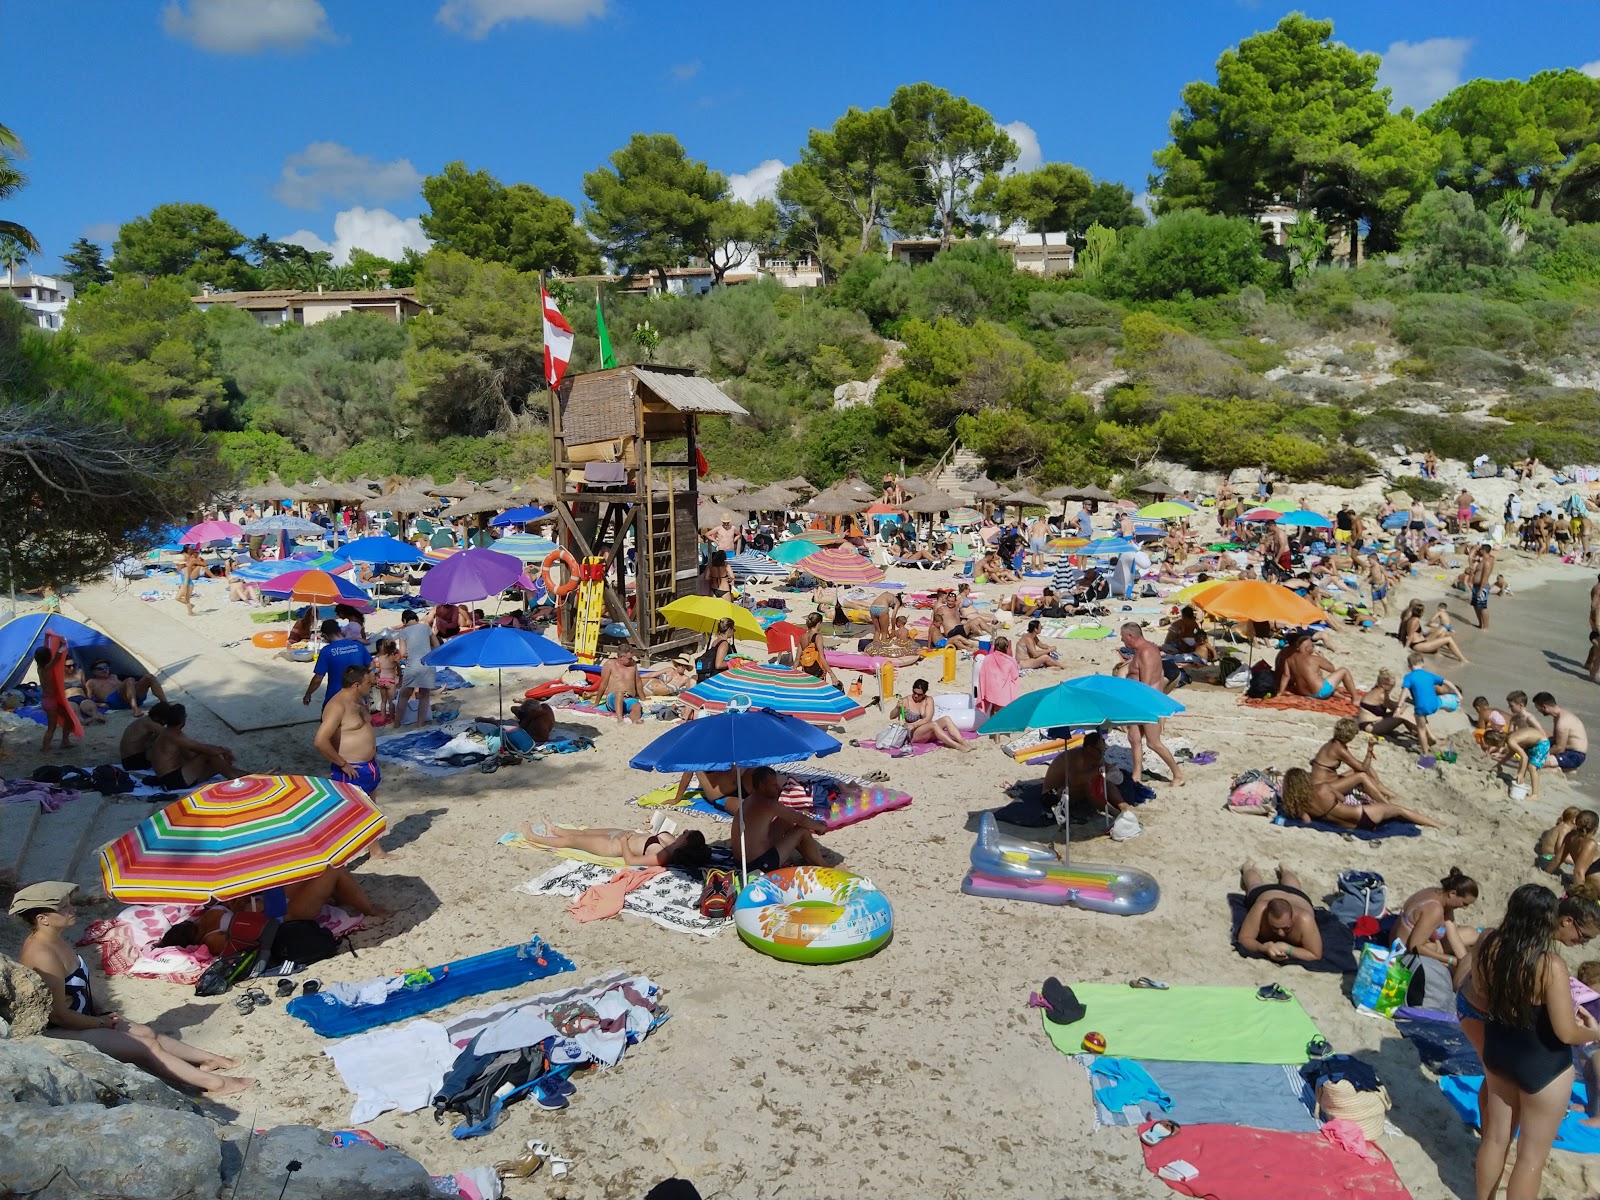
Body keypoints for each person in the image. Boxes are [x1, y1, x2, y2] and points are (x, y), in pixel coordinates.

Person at [12, 881, 253, 1097]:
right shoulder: (42, 955)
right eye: (63, 907)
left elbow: (74, 990)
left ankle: (208, 1060)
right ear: (42, 919)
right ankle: (216, 1084)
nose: (72, 909)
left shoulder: (55, 939)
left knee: (147, 1033)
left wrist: (102, 1010)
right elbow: (58, 1014)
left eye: (68, 904)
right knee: (146, 1047)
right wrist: (101, 1023)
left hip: (84, 1016)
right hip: (62, 1030)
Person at [1467, 884, 1600, 1200]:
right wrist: (1595, 1031)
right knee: (1530, 1159)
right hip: (1542, 1064)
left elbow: (1480, 994)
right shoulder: (1550, 965)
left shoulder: (1488, 942)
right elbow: (1567, 1034)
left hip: (1498, 1051)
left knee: (1495, 1140)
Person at [313, 664, 391, 853]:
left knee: (370, 809)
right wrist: (343, 764)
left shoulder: (359, 702)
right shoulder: (337, 706)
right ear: (356, 685)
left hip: (369, 765)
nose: (370, 686)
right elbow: (320, 741)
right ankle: (328, 855)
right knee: (346, 815)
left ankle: (376, 851)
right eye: (368, 683)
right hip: (350, 768)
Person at [1278, 766, 1443, 830]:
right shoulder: (1323, 788)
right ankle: (1437, 824)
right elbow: (1342, 799)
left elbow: (1307, 821)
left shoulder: (1301, 807)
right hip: (1362, 814)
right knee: (1399, 810)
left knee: (1397, 812)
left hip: (1350, 825)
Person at [1119, 623, 1184, 785]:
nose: (1122, 640)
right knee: (1134, 738)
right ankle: (1136, 776)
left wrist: (1139, 702)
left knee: (1153, 742)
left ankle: (1178, 775)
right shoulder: (1141, 651)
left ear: (1130, 637)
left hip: (1146, 702)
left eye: (1123, 637)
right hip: (1137, 701)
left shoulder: (1147, 652)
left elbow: (1146, 683)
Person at [729, 766, 827, 872]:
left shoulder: (750, 799)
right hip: (758, 865)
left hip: (741, 861)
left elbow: (792, 815)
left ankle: (810, 854)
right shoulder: (768, 804)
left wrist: (814, 824)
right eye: (774, 785)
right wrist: (820, 827)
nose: (778, 788)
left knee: (786, 820)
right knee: (802, 831)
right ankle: (825, 866)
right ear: (762, 786)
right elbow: (801, 820)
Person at [1235, 863, 1324, 965]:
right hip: (1266, 893)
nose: (1280, 933)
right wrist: (1263, 948)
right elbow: (1244, 939)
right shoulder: (1260, 909)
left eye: (1286, 928)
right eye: (1274, 928)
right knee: (1254, 885)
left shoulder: (1305, 920)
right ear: (1266, 916)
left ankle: (1285, 869)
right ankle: (1248, 867)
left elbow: (1315, 955)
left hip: (1297, 896)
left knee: (1294, 887)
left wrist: (1288, 949)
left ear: (1293, 917)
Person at [518, 821, 711, 868]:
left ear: (685, 842)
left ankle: (533, 838)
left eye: (686, 833)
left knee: (573, 842)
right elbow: (650, 838)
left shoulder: (663, 856)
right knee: (583, 832)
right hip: (622, 835)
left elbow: (631, 861)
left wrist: (623, 842)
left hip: (613, 846)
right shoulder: (672, 840)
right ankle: (555, 830)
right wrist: (649, 828)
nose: (683, 831)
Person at [1393, 868, 1480, 969]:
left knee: (1471, 933)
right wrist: (1450, 960)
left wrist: (1463, 963)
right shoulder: (1435, 909)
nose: (1465, 908)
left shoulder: (1439, 895)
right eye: (1464, 903)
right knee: (1435, 948)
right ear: (1453, 894)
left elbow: (1453, 934)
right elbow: (1415, 946)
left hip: (1410, 940)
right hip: (1404, 953)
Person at [148, 704, 237, 790]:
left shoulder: (168, 732)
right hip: (172, 779)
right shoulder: (174, 736)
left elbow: (192, 753)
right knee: (207, 755)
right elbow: (206, 750)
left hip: (170, 778)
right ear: (182, 719)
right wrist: (224, 751)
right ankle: (234, 778)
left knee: (218, 765)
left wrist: (219, 751)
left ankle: (236, 774)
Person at [1310, 718, 1396, 803]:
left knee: (1358, 771)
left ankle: (1390, 794)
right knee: (1362, 776)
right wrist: (1370, 748)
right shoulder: (1339, 749)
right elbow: (1363, 768)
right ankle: (1385, 802)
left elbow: (1358, 765)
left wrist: (1372, 773)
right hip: (1323, 787)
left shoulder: (1334, 743)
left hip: (1328, 781)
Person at [301, 619, 372, 710]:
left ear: (326, 636)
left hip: (336, 697)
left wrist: (308, 693)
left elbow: (318, 678)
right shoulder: (358, 646)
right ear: (340, 631)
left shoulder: (327, 651)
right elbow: (371, 665)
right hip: (358, 695)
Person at [1401, 653, 1461, 758]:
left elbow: (1404, 691)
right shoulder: (1429, 674)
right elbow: (1447, 682)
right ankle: (1432, 736)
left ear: (1409, 666)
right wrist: (1458, 694)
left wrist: (1399, 705)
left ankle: (1425, 754)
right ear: (1423, 663)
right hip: (1434, 704)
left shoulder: (1409, 677)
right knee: (1425, 712)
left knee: (1421, 728)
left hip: (1421, 706)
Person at [1278, 634, 1361, 706]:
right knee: (1343, 670)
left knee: (1320, 678)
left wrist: (1280, 692)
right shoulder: (1314, 658)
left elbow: (1286, 676)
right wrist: (1322, 658)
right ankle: (1355, 697)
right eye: (1312, 647)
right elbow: (1332, 669)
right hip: (1320, 692)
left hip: (1303, 693)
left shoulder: (1289, 659)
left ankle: (1343, 697)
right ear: (1307, 649)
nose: (1313, 649)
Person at [897, 678, 975, 752]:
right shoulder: (906, 700)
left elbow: (928, 718)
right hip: (912, 733)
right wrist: (897, 708)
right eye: (914, 693)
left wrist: (915, 725)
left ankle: (962, 742)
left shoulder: (928, 700)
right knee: (933, 725)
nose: (916, 696)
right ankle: (956, 746)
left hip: (924, 730)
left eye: (919, 694)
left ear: (924, 694)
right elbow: (892, 716)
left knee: (946, 719)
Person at [393, 609, 438, 729]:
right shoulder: (426, 628)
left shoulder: (403, 632)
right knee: (424, 696)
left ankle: (397, 723)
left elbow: (403, 653)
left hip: (412, 666)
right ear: (417, 619)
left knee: (404, 695)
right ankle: (420, 723)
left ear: (404, 621)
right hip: (427, 665)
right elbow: (437, 645)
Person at [83, 659, 166, 718]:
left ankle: (165, 704)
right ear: (93, 671)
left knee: (149, 677)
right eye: (100, 669)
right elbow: (87, 699)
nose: (104, 670)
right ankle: (135, 709)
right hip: (114, 701)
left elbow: (124, 686)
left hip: (129, 697)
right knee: (129, 680)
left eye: (106, 667)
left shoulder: (113, 676)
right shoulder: (91, 682)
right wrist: (100, 704)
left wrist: (138, 685)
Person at [1398, 596, 1468, 660]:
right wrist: (1405, 648)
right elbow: (1410, 636)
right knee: (1448, 639)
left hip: (1421, 641)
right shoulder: (1414, 620)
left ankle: (1438, 651)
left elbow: (1403, 628)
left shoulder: (1410, 617)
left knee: (1443, 630)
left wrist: (1401, 638)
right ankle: (1463, 659)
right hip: (1418, 645)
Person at [1534, 692, 1588, 772]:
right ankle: (1564, 768)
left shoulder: (1562, 722)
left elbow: (1560, 748)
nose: (1538, 711)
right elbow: (1555, 739)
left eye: (1538, 709)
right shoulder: (1558, 716)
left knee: (1536, 762)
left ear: (1544, 707)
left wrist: (1541, 752)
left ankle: (1563, 768)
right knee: (1536, 754)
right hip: (1568, 752)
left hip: (1574, 755)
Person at [1357, 668, 1417, 739]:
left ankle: (1417, 731)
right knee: (1402, 715)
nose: (1392, 688)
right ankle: (1420, 732)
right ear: (1383, 685)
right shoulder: (1381, 696)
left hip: (1371, 722)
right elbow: (1397, 708)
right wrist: (1403, 702)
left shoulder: (1376, 689)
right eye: (1391, 685)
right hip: (1369, 726)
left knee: (1402, 714)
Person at [975, 636, 1020, 719]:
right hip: (1001, 690)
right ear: (1006, 647)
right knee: (998, 710)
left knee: (993, 708)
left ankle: (991, 727)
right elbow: (1015, 676)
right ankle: (995, 731)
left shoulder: (988, 658)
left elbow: (983, 673)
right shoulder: (1010, 661)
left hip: (990, 688)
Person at [1547, 810, 1600, 879]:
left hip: (1589, 875)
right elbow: (1578, 872)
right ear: (1595, 829)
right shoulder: (1590, 844)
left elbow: (1558, 859)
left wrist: (1546, 873)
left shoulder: (1570, 836)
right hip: (1593, 875)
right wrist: (1578, 889)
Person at [597, 646, 644, 724]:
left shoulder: (633, 665)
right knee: (619, 693)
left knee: (637, 706)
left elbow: (638, 682)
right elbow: (603, 684)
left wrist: (643, 698)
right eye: (629, 658)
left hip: (628, 698)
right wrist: (596, 702)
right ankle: (620, 719)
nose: (632, 660)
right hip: (613, 698)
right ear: (621, 657)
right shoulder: (610, 664)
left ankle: (635, 720)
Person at [118, 705, 169, 771]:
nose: (165, 724)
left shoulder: (145, 720)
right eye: (165, 721)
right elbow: (170, 736)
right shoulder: (151, 724)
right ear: (157, 717)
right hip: (131, 762)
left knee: (159, 740)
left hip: (129, 759)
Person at [797, 613, 840, 687]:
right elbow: (822, 657)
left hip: (806, 670)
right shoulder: (818, 637)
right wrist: (832, 675)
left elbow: (797, 658)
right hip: (817, 670)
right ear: (819, 623)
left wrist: (794, 673)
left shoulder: (802, 637)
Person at [370, 639, 400, 723]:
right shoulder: (393, 658)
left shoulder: (379, 658)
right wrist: (399, 676)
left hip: (381, 681)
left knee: (383, 701)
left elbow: (377, 671)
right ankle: (392, 719)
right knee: (391, 702)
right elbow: (399, 669)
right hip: (390, 682)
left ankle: (383, 717)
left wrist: (377, 679)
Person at [1469, 539, 1496, 631]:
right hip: (1476, 586)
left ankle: (1486, 626)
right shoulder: (1481, 560)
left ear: (1483, 551)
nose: (1478, 551)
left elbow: (1485, 576)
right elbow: (1470, 559)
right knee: (1475, 606)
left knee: (1482, 607)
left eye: (1480, 550)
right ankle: (1480, 624)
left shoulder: (1487, 562)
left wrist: (1481, 590)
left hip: (1482, 587)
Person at [174, 546, 205, 617]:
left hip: (188, 584)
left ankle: (190, 612)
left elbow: (187, 578)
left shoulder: (186, 568)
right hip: (184, 584)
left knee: (186, 598)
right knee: (177, 598)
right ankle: (191, 606)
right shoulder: (182, 568)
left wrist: (185, 587)